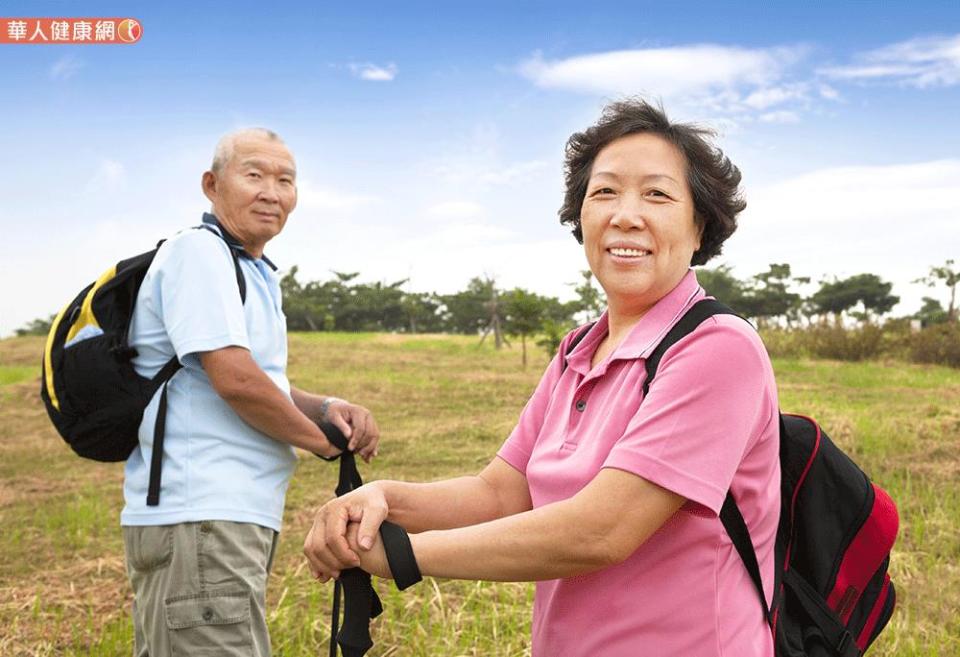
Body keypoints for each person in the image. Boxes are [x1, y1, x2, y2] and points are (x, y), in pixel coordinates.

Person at [303, 100, 781, 656]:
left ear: (700, 226)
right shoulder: (579, 349)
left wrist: (405, 553)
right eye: (603, 192)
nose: (626, 215)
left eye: (657, 194)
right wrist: (379, 498)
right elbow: (501, 492)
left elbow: (601, 530)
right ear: (580, 219)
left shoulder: (717, 347)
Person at [121, 127, 381, 657]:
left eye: (285, 180)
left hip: (220, 516)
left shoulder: (253, 270)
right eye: (255, 174)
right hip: (201, 513)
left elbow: (261, 380)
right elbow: (235, 380)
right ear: (212, 185)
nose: (272, 191)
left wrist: (328, 407)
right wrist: (322, 441)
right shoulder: (199, 253)